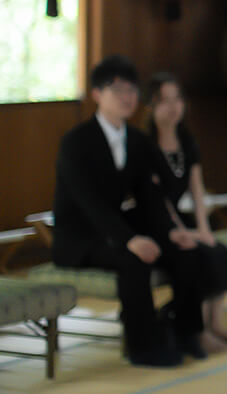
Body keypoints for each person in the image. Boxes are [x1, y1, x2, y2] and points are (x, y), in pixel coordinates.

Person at [51, 55, 207, 367]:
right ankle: (143, 347)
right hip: (80, 237)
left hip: (115, 228)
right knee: (133, 259)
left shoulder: (136, 140)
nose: (127, 97)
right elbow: (89, 204)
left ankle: (186, 331)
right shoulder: (76, 142)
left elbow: (149, 196)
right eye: (118, 89)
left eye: (132, 90)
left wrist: (170, 231)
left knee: (185, 251)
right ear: (97, 94)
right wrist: (129, 239)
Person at [145, 72, 227, 352]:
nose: (173, 106)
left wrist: (204, 229)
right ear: (150, 105)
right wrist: (185, 232)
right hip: (156, 222)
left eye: (177, 99)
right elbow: (157, 200)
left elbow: (198, 190)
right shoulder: (145, 145)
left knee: (218, 250)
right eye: (164, 101)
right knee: (196, 255)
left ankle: (216, 324)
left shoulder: (187, 140)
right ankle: (197, 329)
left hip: (179, 217)